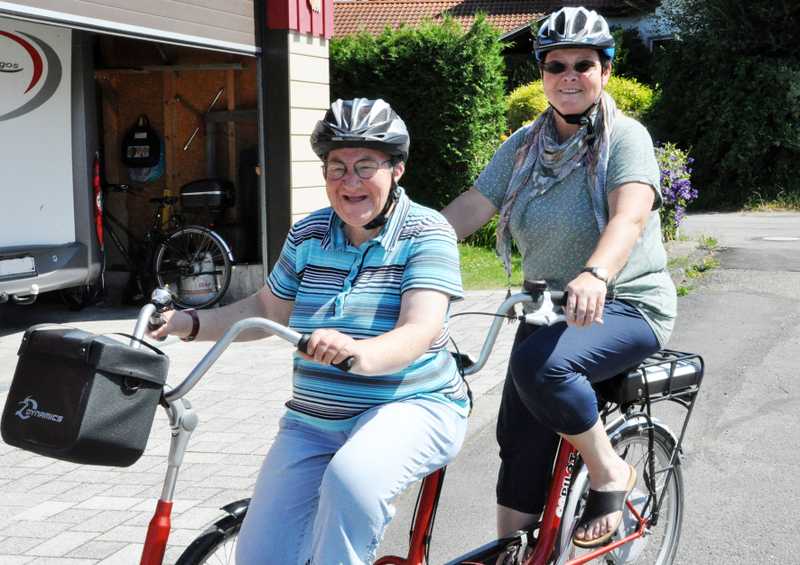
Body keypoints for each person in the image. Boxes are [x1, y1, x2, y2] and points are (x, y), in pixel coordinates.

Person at [150, 98, 470, 564]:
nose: (350, 181)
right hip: (312, 421)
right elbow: (265, 307)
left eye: (365, 166)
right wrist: (186, 322)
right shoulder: (309, 234)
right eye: (336, 167)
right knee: (259, 556)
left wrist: (361, 353)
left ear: (396, 169)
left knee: (352, 480)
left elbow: (419, 329)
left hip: (413, 406)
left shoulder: (427, 232)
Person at [442, 6, 676, 549]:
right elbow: (474, 205)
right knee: (519, 439)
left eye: (583, 64)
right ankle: (519, 554)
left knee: (539, 369)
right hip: (547, 304)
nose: (569, 75)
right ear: (542, 73)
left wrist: (596, 272)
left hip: (625, 302)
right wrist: (401, 246)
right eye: (556, 65)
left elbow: (629, 214)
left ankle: (610, 470)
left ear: (605, 71)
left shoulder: (626, 138)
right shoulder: (525, 143)